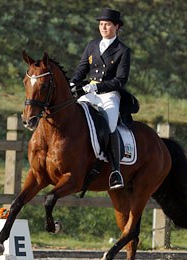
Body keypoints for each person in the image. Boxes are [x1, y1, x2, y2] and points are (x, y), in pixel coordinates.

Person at [70, 8, 131, 190]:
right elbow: (82, 69)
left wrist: (97, 86)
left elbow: (120, 80)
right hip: (90, 92)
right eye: (101, 24)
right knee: (75, 116)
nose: (103, 28)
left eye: (108, 24)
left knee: (110, 124)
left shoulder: (123, 50)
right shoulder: (92, 45)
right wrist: (73, 83)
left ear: (117, 27)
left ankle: (115, 170)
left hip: (109, 94)